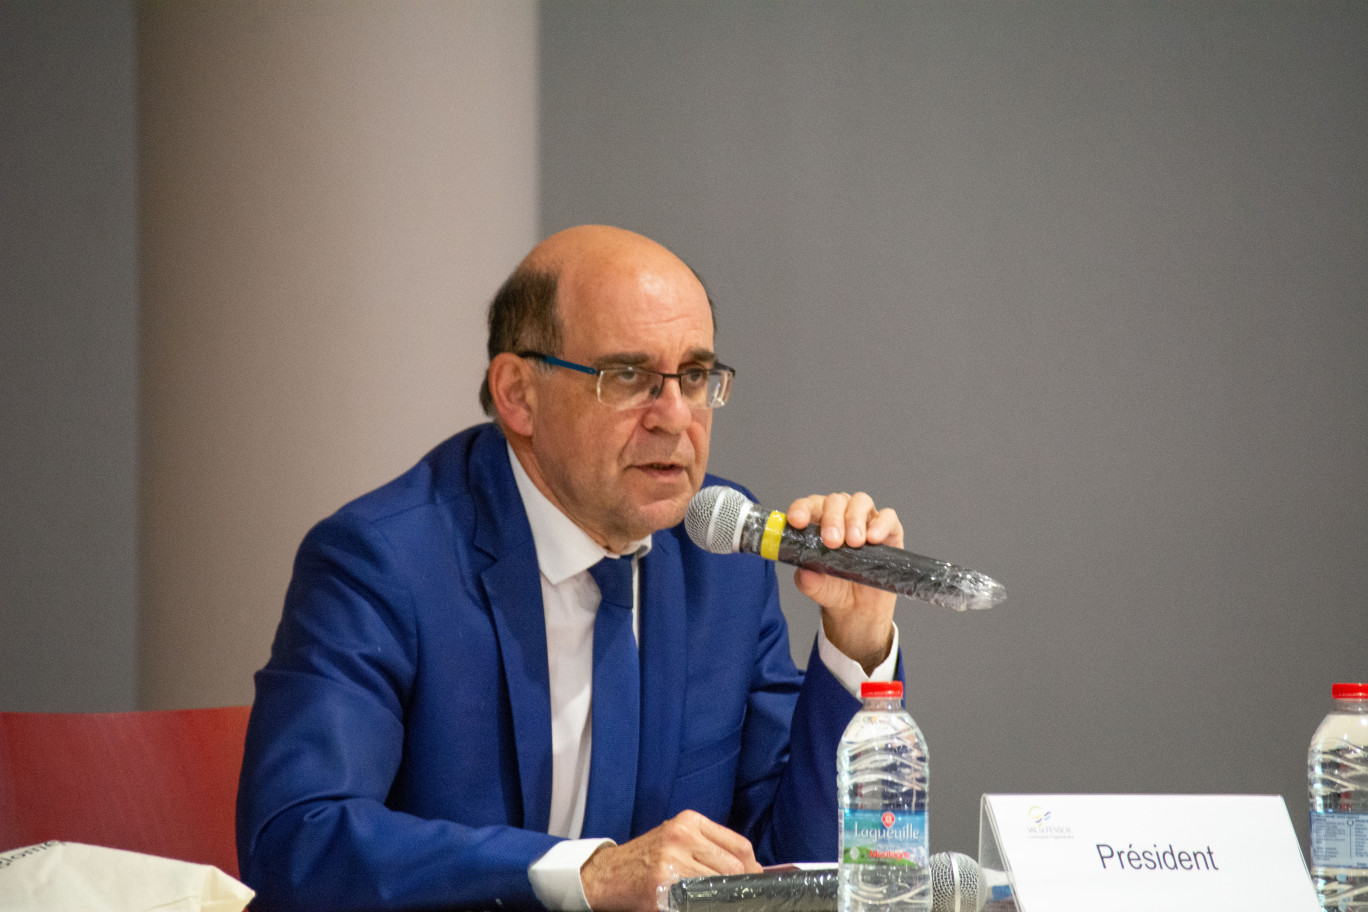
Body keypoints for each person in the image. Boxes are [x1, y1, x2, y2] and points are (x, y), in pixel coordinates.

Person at [236, 225, 905, 912]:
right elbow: (299, 839)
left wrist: (855, 645)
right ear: (518, 394)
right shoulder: (385, 562)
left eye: (696, 377)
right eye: (630, 377)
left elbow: (793, 872)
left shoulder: (722, 565)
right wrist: (585, 875)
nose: (675, 417)